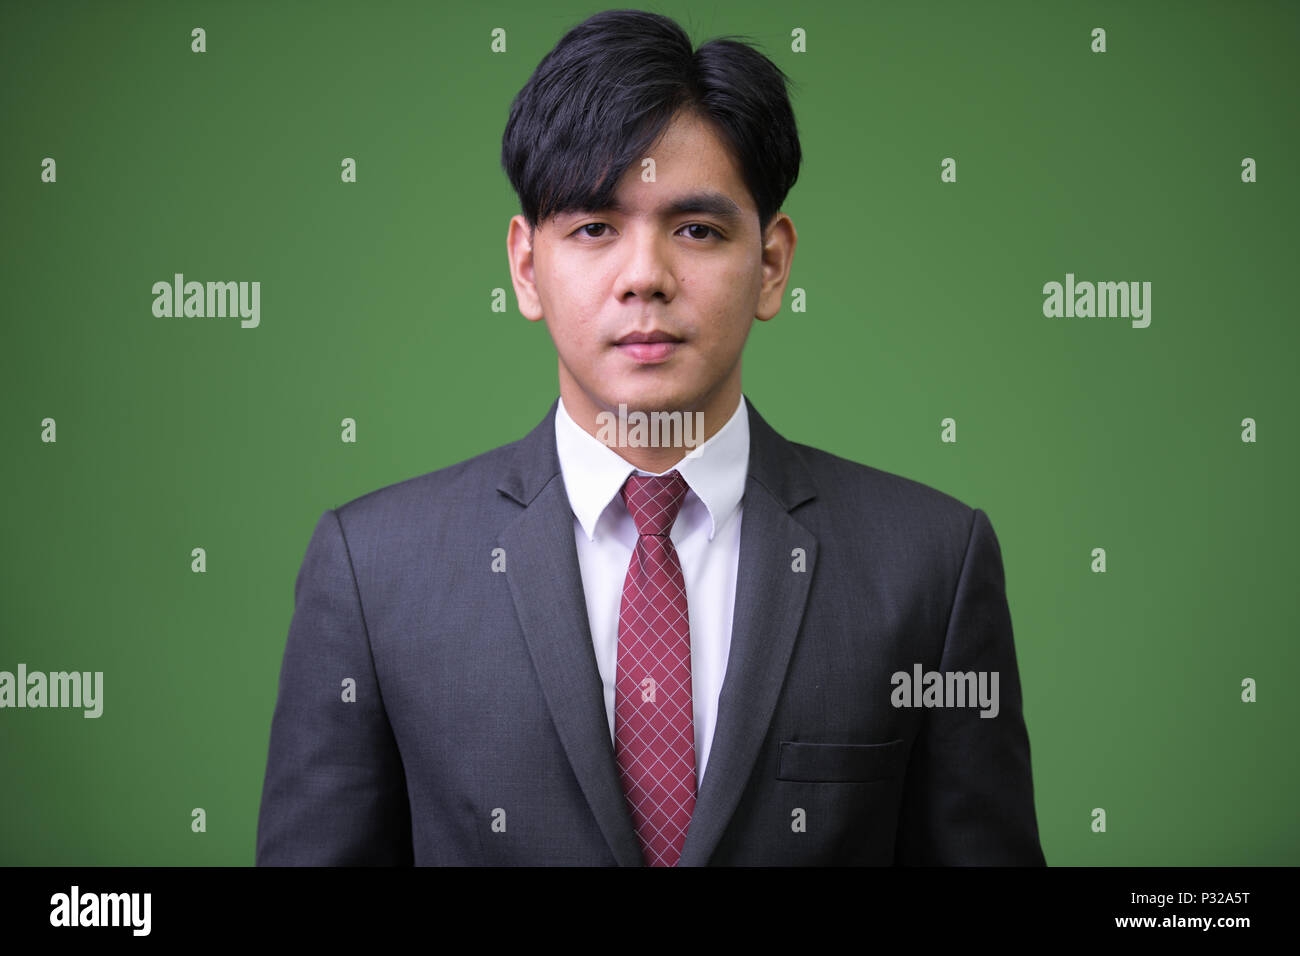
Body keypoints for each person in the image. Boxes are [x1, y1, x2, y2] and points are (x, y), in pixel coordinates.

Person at [255, 8, 1046, 866]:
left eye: (697, 230)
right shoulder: (373, 570)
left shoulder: (930, 562)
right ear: (526, 267)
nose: (645, 277)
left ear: (772, 264)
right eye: (594, 227)